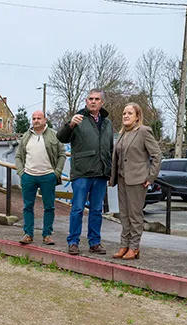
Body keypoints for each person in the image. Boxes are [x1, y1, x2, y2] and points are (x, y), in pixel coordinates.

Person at [57, 89, 113, 255]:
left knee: (96, 210)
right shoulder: (78, 118)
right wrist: (70, 125)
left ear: (102, 102)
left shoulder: (107, 123)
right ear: (86, 101)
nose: (93, 102)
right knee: (78, 208)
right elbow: (62, 137)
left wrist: (109, 169)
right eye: (90, 99)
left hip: (101, 173)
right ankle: (73, 242)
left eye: (96, 99)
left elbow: (109, 147)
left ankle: (95, 242)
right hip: (82, 172)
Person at [109, 102, 162, 260]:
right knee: (124, 215)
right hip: (122, 179)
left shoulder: (144, 132)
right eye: (124, 113)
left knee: (135, 215)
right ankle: (124, 245)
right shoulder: (122, 134)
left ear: (137, 116)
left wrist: (150, 177)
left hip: (138, 180)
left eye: (130, 113)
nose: (126, 116)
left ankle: (134, 247)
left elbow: (157, 155)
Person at [14, 109, 66, 245]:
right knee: (27, 206)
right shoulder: (26, 136)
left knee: (49, 207)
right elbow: (19, 156)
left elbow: (62, 154)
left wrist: (57, 173)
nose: (36, 121)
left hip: (48, 176)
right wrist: (21, 172)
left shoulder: (55, 135)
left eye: (39, 118)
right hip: (29, 176)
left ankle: (47, 234)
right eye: (34, 118)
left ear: (45, 120)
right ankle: (28, 234)